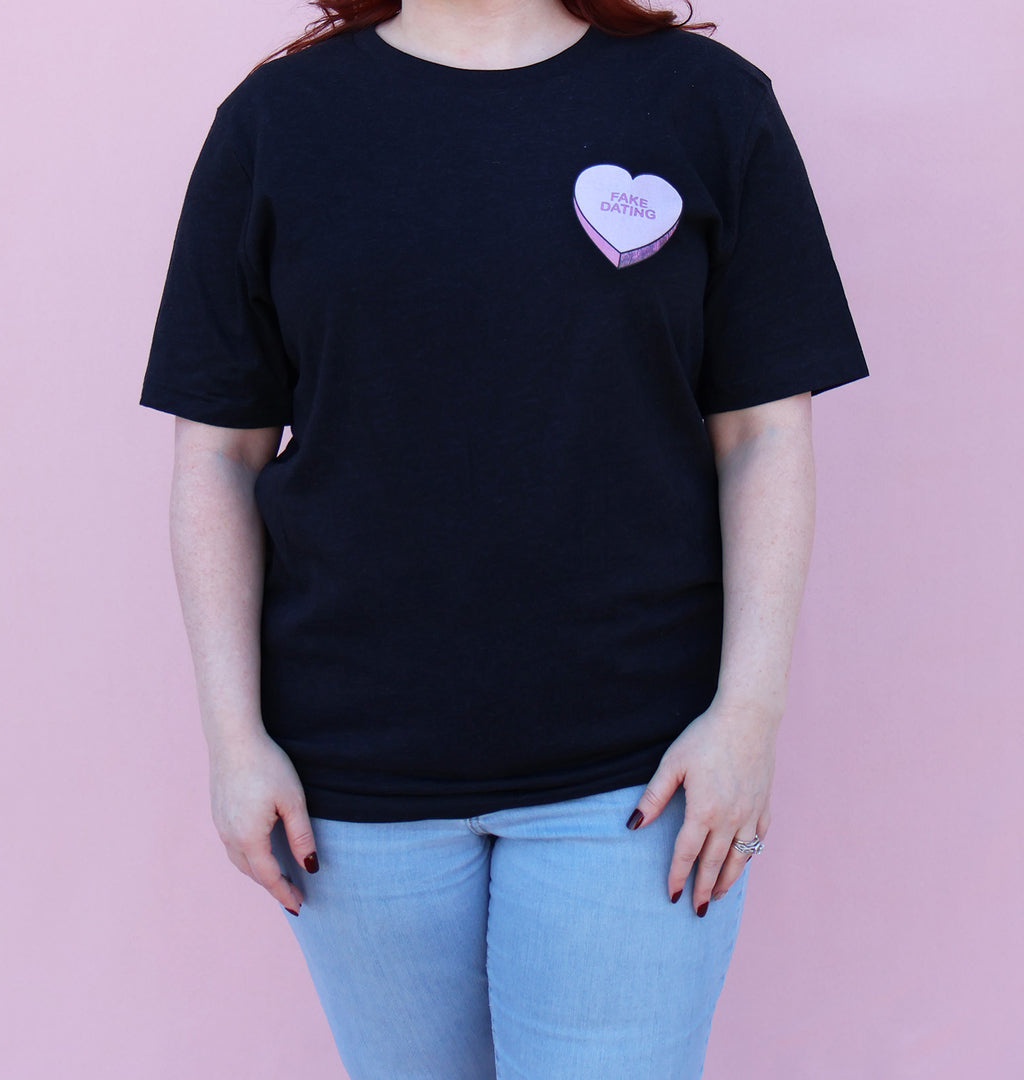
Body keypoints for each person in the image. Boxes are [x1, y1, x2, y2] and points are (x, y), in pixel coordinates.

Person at [139, 0, 869, 1076]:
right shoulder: (276, 123)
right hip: (353, 785)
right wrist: (233, 741)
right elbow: (218, 454)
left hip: (641, 774)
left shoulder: (707, 105)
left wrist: (747, 719)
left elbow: (763, 433)